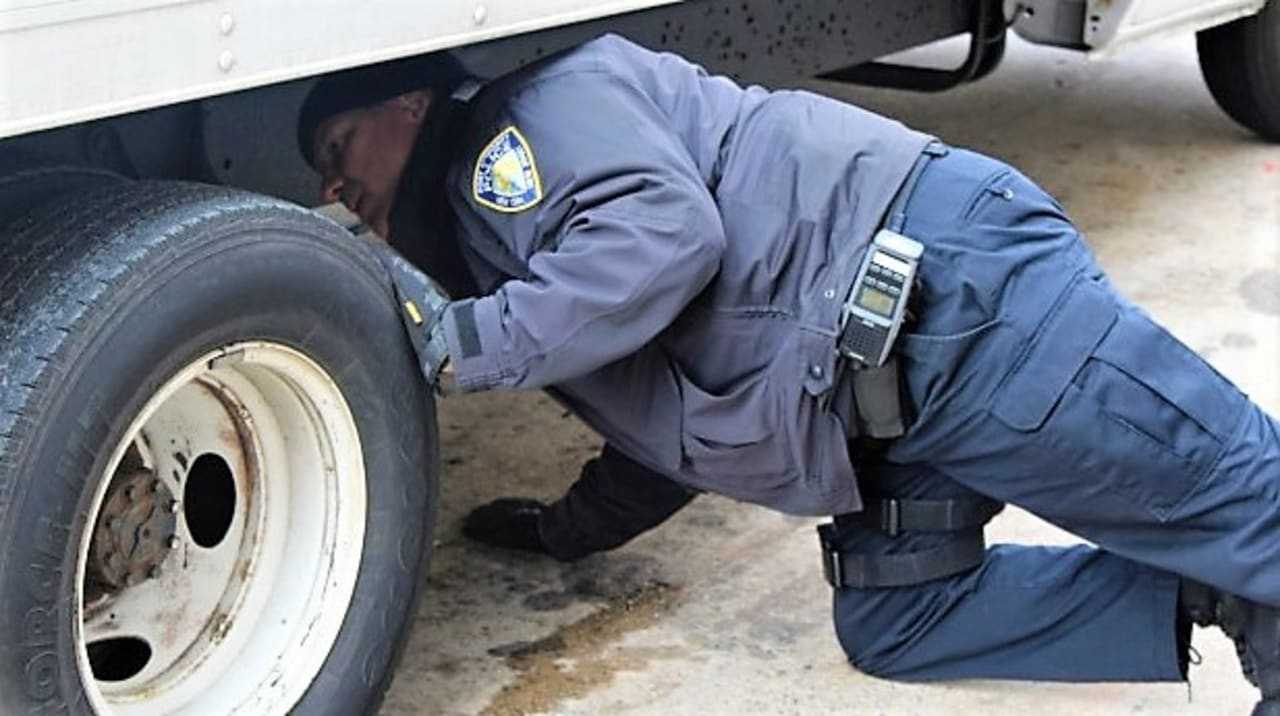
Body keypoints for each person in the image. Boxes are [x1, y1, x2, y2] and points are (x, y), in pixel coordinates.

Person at [297, 34, 1280, 713]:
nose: (335, 187)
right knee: (899, 618)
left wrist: (464, 341)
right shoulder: (519, 256)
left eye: (337, 149)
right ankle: (1214, 594)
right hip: (879, 402)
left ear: (409, 102)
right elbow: (668, 422)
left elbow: (664, 235)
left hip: (956, 305)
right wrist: (565, 531)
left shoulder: (525, 124)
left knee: (1248, 499)